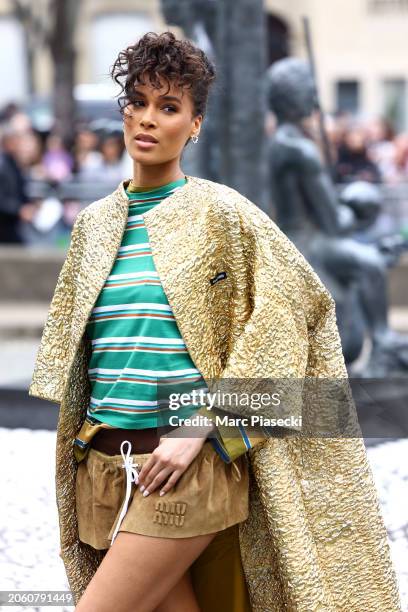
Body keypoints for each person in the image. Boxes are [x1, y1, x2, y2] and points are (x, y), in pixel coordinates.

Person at [29, 32, 401, 612]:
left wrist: (198, 429)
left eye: (170, 107)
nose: (149, 119)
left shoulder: (224, 214)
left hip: (186, 465)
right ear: (124, 112)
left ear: (195, 124)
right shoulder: (94, 225)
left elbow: (294, 312)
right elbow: (84, 358)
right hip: (102, 465)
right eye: (140, 102)